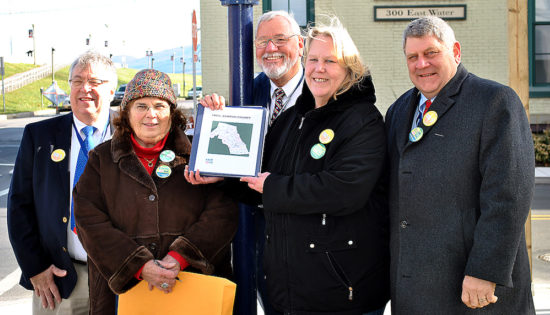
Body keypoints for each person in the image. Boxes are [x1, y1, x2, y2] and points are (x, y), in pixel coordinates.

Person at [238, 16, 390, 314]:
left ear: (349, 69)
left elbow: (344, 190)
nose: (319, 69)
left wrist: (272, 186)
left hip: (341, 293)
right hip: (289, 293)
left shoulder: (363, 121)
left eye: (330, 61)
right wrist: (220, 177)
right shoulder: (294, 118)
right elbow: (257, 176)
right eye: (314, 60)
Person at [385, 16, 535, 314]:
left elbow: (508, 195)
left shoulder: (494, 101)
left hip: (472, 291)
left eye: (431, 53)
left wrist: (486, 271)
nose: (421, 64)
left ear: (455, 51)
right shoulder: (398, 110)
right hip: (413, 290)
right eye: (412, 57)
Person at [73, 69, 238, 314]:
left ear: (172, 113)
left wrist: (180, 257)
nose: (151, 115)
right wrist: (138, 265)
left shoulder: (199, 154)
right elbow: (88, 220)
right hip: (123, 294)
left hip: (194, 290)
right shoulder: (101, 159)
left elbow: (222, 213)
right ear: (127, 113)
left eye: (160, 106)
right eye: (141, 106)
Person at [194, 10, 305, 314]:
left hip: (308, 232)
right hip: (260, 231)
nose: (271, 48)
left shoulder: (321, 89)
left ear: (301, 45)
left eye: (280, 39)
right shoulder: (247, 92)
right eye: (263, 41)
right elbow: (241, 158)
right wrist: (216, 113)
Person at [7, 51, 117, 314]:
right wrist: (35, 268)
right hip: (60, 280)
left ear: (112, 90)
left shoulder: (130, 133)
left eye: (95, 82)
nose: (84, 89)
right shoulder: (39, 136)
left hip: (120, 278)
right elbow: (19, 207)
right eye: (77, 81)